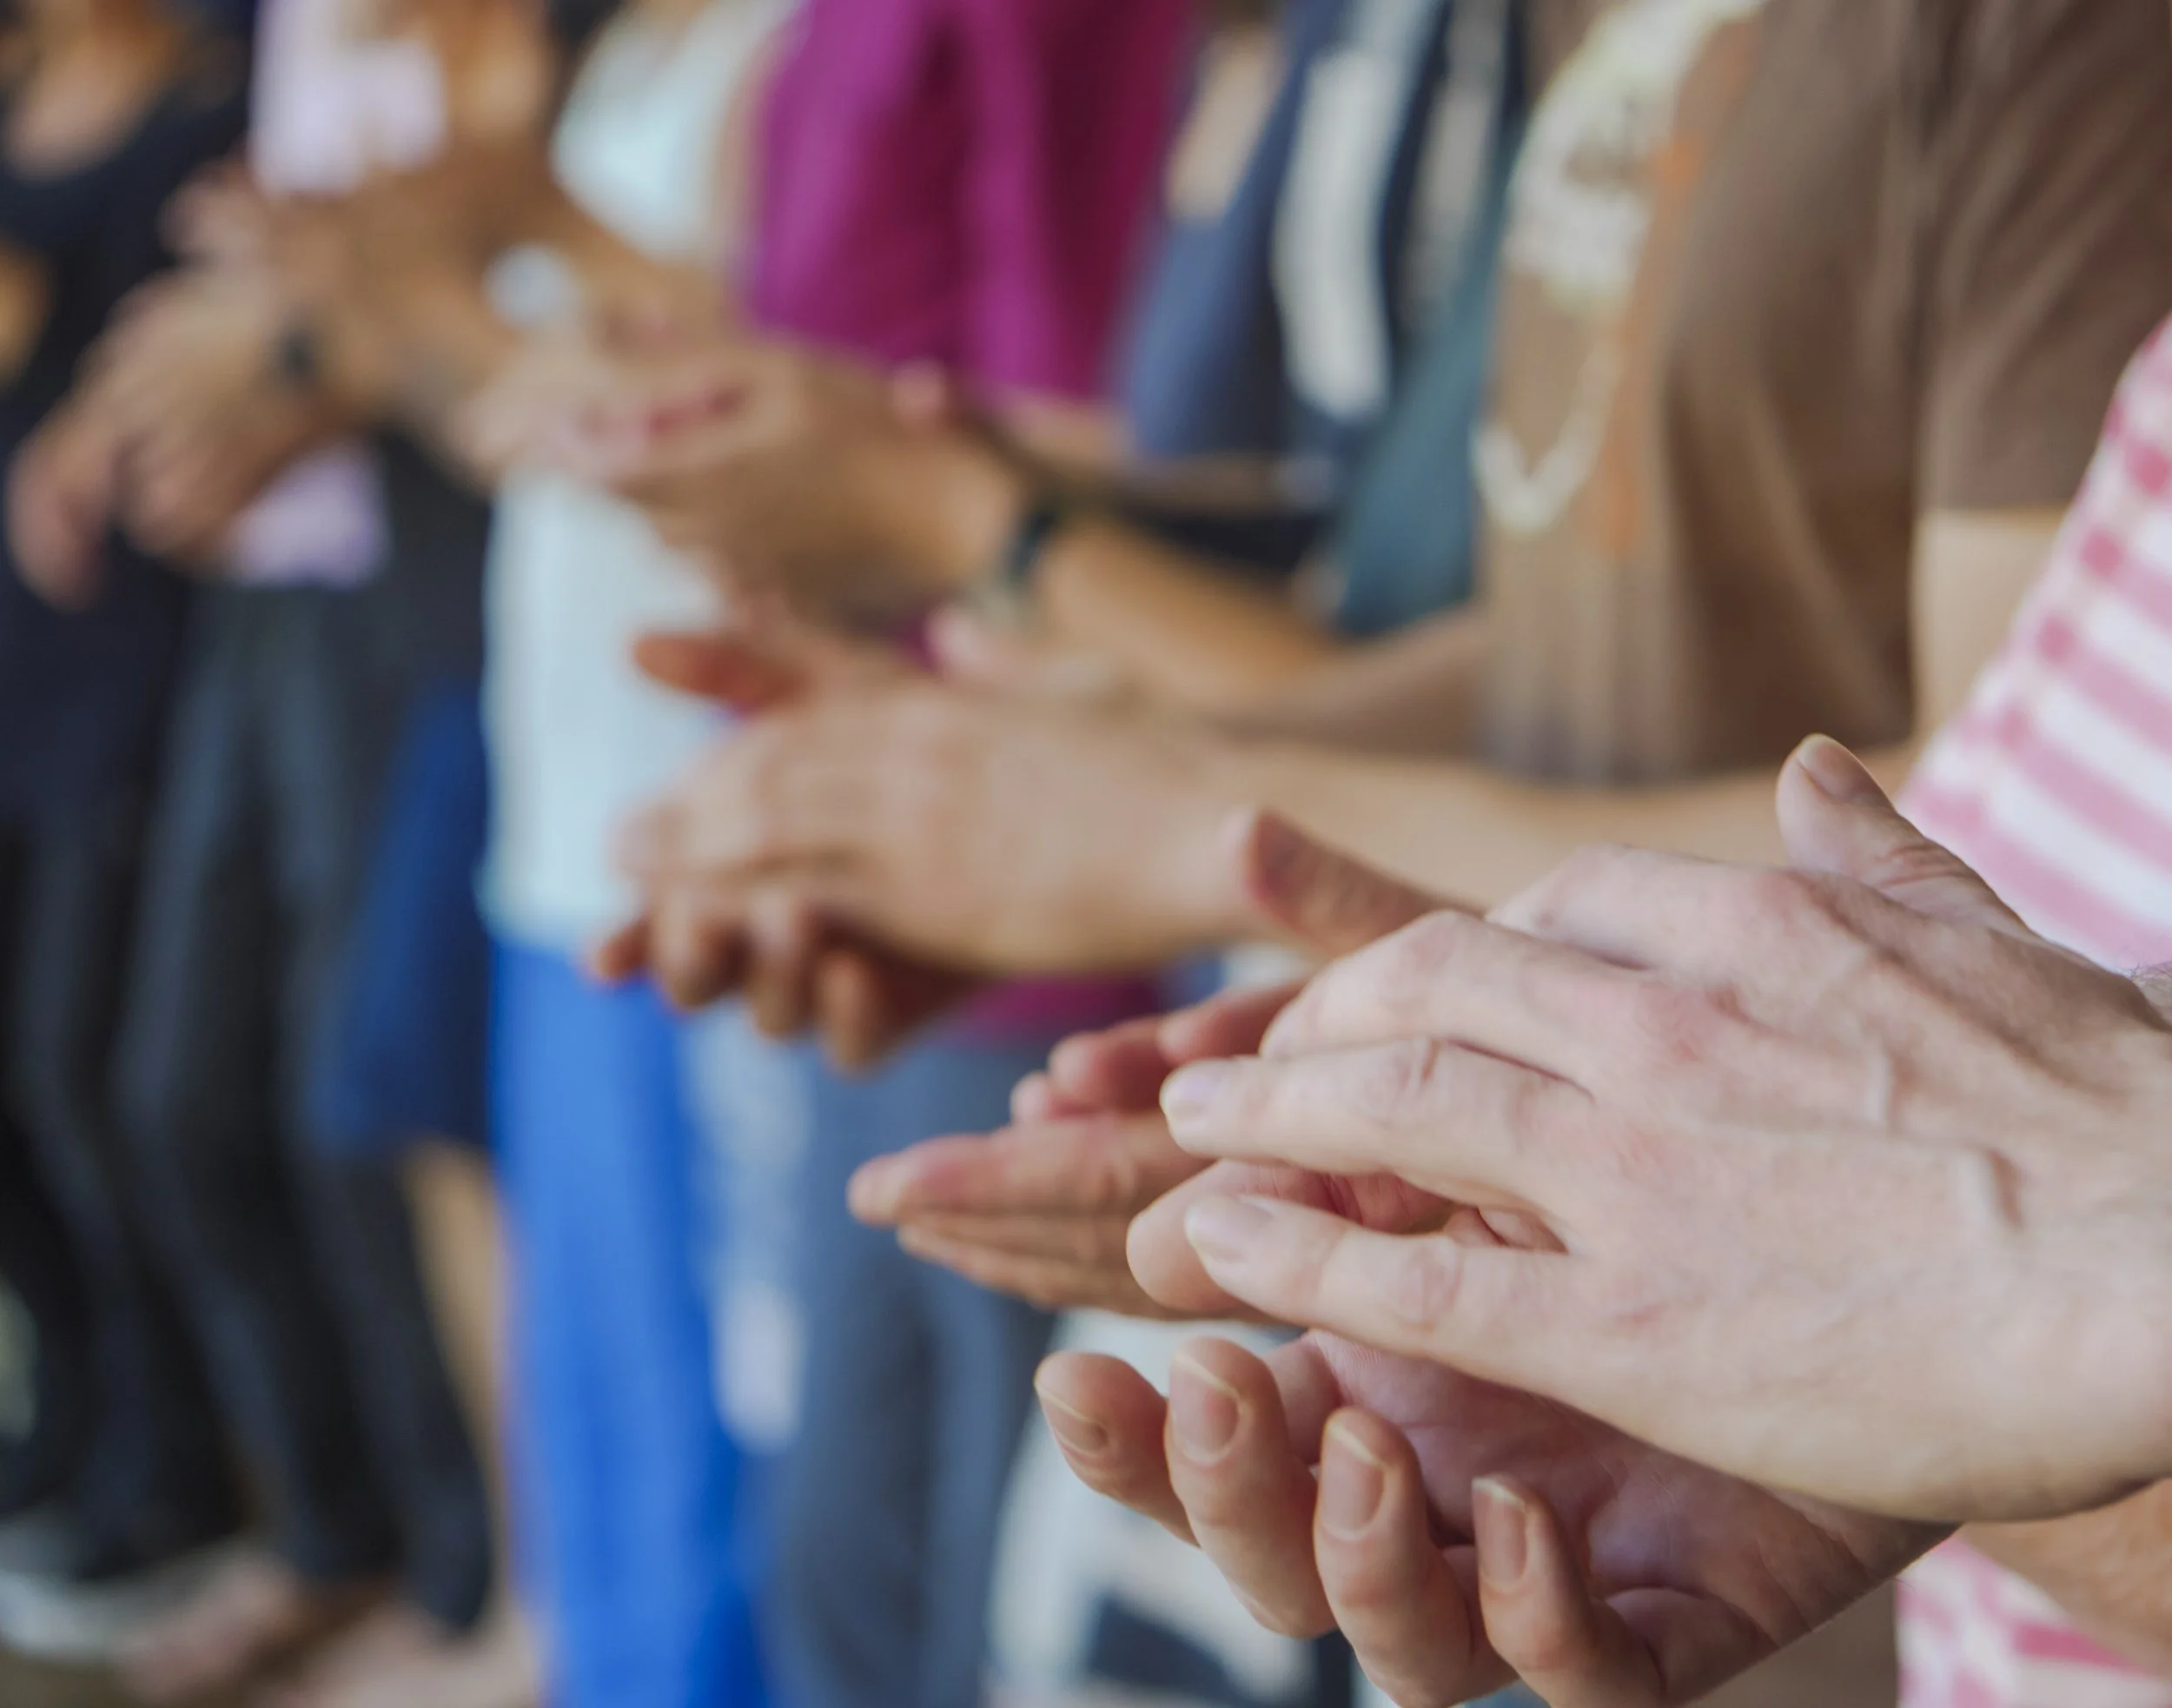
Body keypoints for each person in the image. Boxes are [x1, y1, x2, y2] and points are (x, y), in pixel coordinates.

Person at [599, 0, 2172, 1000]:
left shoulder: (2070, 41)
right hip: (1518, 1118)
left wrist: (1197, 823)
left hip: (1791, 1232)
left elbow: (2004, 858)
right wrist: (1002, 795)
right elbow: (1579, 622)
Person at [0, 0, 248, 1657]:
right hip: (14, 672)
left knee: (98, 1080)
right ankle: (78, 1419)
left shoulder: (204, 112)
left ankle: (180, 1466)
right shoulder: (22, 96)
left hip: (127, 671)